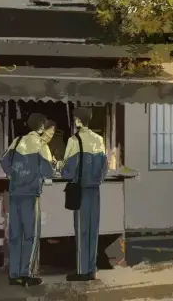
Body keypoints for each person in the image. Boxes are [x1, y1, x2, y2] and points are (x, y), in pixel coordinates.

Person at [0, 113, 53, 287]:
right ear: (41, 126)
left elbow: (4, 162)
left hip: (14, 194)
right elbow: (48, 170)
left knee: (15, 235)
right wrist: (37, 176)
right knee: (30, 235)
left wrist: (14, 176)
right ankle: (27, 274)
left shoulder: (17, 141)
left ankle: (14, 275)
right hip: (30, 195)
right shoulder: (41, 144)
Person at [60, 107, 108, 282]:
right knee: (93, 230)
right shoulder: (99, 140)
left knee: (82, 231)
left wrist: (61, 168)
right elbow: (105, 167)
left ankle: (82, 271)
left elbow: (67, 171)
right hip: (95, 190)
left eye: (75, 118)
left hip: (80, 190)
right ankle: (92, 269)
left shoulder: (74, 140)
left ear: (78, 120)